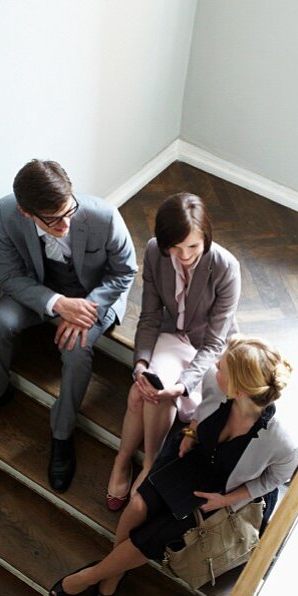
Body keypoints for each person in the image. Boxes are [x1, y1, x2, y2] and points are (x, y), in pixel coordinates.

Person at [49, 335, 298, 596]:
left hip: (221, 490)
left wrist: (226, 500)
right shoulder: (214, 385)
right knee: (136, 507)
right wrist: (192, 432)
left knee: (155, 535)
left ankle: (90, 576)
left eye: (222, 368)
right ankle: (115, 572)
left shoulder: (284, 443)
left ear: (239, 390)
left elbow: (274, 480)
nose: (215, 364)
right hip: (192, 456)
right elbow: (200, 413)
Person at [0, 159, 136, 492]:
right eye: (53, 220)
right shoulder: (8, 212)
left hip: (91, 298)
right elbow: (9, 276)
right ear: (27, 212)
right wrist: (56, 304)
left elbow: (125, 272)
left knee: (77, 350)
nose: (65, 224)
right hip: (41, 292)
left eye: (69, 212)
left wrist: (84, 308)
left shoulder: (104, 216)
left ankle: (62, 433)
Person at [104, 192, 240, 511]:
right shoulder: (154, 252)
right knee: (148, 387)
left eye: (193, 246)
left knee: (169, 390)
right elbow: (150, 315)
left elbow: (215, 342)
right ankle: (123, 460)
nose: (185, 255)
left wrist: (185, 383)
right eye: (176, 248)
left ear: (206, 237)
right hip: (173, 334)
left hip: (211, 350)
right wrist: (139, 364)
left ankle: (150, 462)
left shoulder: (225, 267)